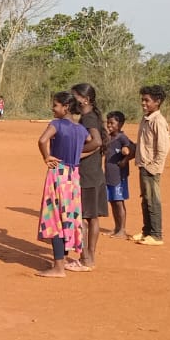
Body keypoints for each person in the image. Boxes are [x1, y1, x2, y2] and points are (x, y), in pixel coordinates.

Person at [35, 91, 88, 278]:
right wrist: (78, 153)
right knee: (68, 218)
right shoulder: (81, 129)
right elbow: (92, 142)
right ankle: (62, 261)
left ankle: (58, 267)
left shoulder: (57, 124)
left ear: (65, 107)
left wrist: (46, 156)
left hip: (58, 173)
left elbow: (42, 140)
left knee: (54, 218)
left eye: (56, 105)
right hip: (73, 177)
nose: (53, 108)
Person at [71, 83, 107, 269]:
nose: (72, 100)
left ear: (85, 99)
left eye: (75, 97)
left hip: (87, 174)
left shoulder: (88, 119)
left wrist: (75, 152)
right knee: (92, 217)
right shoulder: (92, 116)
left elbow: (97, 142)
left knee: (84, 218)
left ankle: (85, 259)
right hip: (95, 173)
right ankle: (89, 258)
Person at [130, 85, 170, 246]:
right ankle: (146, 231)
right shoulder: (146, 118)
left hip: (150, 167)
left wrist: (154, 166)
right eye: (142, 100)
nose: (143, 103)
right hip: (143, 165)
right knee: (145, 199)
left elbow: (164, 147)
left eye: (147, 100)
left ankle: (156, 234)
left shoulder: (158, 121)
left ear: (157, 102)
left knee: (153, 199)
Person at [104, 111, 134, 240]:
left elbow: (130, 148)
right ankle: (116, 227)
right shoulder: (108, 137)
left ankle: (122, 229)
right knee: (112, 201)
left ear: (120, 124)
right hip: (109, 175)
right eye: (108, 123)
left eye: (112, 123)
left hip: (119, 176)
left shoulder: (122, 138)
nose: (109, 125)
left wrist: (125, 156)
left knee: (118, 201)